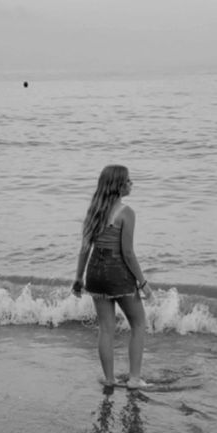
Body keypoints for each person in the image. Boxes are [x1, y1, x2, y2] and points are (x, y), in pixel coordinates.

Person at [72, 164, 153, 389]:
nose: (131, 184)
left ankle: (109, 379)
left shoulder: (93, 211)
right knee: (138, 323)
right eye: (128, 181)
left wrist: (78, 279)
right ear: (118, 185)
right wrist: (143, 283)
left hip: (95, 274)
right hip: (117, 273)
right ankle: (134, 379)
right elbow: (127, 252)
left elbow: (84, 249)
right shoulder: (126, 213)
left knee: (106, 328)